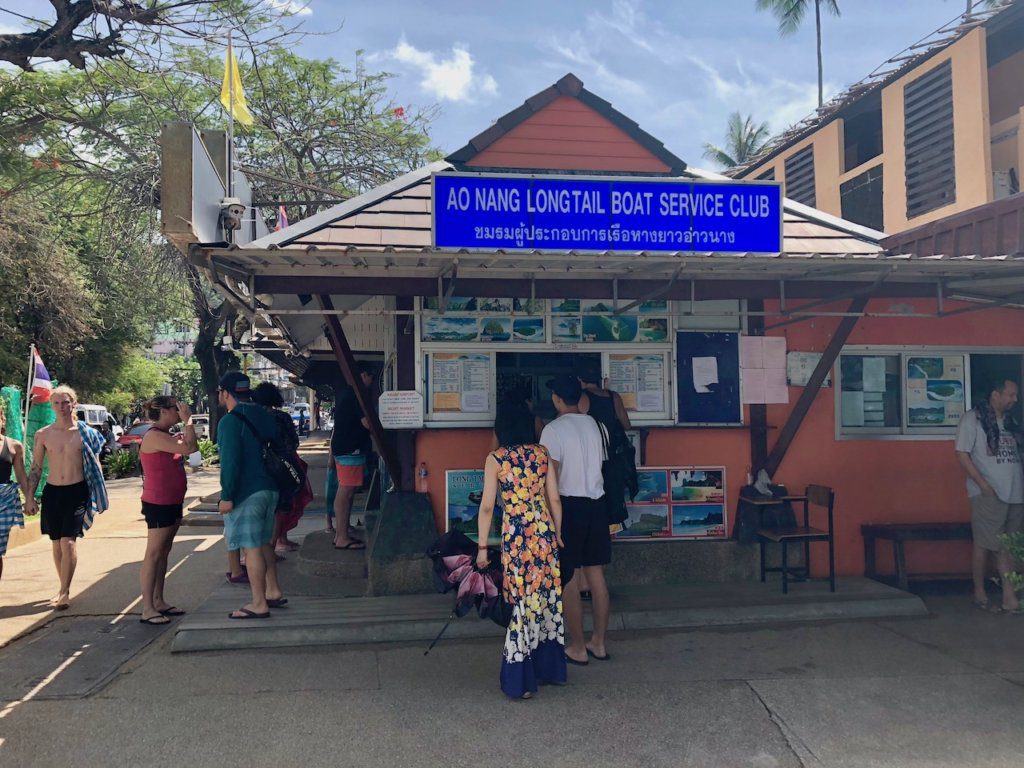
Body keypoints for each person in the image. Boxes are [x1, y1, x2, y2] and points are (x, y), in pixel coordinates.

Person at [476, 397, 566, 699]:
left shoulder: (496, 459)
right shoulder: (542, 453)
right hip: (544, 535)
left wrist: (481, 548)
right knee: (546, 599)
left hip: (516, 537)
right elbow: (554, 499)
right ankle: (550, 668)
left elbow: (487, 506)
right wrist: (559, 533)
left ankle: (520, 680)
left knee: (520, 603)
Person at [540, 374, 610, 665]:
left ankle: (578, 646)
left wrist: (547, 514)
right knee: (596, 576)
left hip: (568, 507)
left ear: (556, 399)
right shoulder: (597, 425)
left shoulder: (552, 430)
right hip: (597, 504)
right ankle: (600, 643)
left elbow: (550, 478)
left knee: (567, 578)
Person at [28, 385, 108, 610]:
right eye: (57, 403)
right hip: (53, 492)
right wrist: (30, 497)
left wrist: (98, 493)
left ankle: (65, 592)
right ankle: (61, 585)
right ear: (51, 405)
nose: (62, 407)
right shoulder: (43, 434)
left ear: (73, 403)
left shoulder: (86, 433)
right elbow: (35, 469)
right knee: (56, 543)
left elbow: (96, 466)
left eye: (66, 402)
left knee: (68, 541)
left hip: (77, 491)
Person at [217, 371, 287, 619]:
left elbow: (230, 462)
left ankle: (258, 603)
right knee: (264, 543)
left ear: (226, 392)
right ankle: (273, 591)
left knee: (252, 548)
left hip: (248, 491)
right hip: (271, 488)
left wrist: (227, 496)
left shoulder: (229, 421)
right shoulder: (263, 414)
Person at [955, 379, 1024, 613]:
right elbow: (962, 454)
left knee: (1010, 545)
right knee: (987, 544)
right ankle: (990, 593)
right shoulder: (973, 419)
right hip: (989, 492)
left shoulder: (1011, 421)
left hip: (1015, 492)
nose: (1015, 400)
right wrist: (983, 485)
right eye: (1010, 395)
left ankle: (1007, 594)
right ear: (995, 394)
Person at [137, 395, 197, 625]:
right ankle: (147, 608)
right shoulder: (154, 436)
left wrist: (185, 426)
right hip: (158, 502)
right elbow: (190, 448)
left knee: (163, 553)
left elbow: (191, 447)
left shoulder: (166, 436)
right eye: (175, 408)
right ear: (163, 411)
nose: (179, 411)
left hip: (172, 500)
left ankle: (159, 600)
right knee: (153, 553)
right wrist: (188, 421)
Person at [252, 382, 306, 556]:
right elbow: (293, 443)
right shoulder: (282, 417)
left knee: (264, 509)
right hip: (283, 468)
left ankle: (263, 549)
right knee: (282, 506)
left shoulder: (252, 417)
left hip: (260, 468)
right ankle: (274, 546)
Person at [330, 363, 375, 551]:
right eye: (371, 378)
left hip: (344, 448)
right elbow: (367, 424)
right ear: (363, 375)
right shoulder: (356, 395)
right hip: (351, 449)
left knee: (347, 491)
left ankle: (343, 530)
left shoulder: (346, 393)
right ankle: (341, 537)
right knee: (346, 490)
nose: (372, 382)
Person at [0, 408, 36, 582]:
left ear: (2, 419)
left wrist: (29, 499)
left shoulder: (14, 446)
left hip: (4, 503)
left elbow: (21, 476)